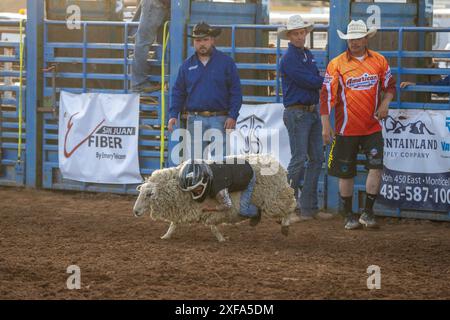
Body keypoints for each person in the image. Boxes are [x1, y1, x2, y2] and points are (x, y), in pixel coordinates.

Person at [320, 20, 396, 230]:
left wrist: (385, 103)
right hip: (346, 128)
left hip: (372, 126)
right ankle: (348, 214)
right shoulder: (336, 64)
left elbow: (390, 86)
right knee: (346, 172)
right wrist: (326, 125)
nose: (354, 42)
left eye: (357, 38)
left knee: (376, 167)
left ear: (365, 39)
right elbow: (326, 97)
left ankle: (368, 212)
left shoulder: (379, 61)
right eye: (351, 38)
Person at [278, 15, 331, 222]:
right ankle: (289, 208)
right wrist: (326, 80)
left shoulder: (304, 54)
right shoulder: (290, 58)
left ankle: (307, 208)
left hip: (307, 111)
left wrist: (321, 80)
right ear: (290, 36)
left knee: (314, 158)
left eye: (302, 33)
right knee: (301, 159)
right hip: (298, 112)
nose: (300, 36)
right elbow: (310, 80)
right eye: (297, 33)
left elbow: (312, 80)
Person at [168, 22, 243, 161]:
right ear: (193, 42)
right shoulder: (186, 65)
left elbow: (236, 91)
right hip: (195, 118)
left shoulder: (226, 62)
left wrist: (233, 115)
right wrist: (173, 114)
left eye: (205, 39)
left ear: (212, 40)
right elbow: (178, 91)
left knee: (220, 162)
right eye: (198, 40)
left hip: (220, 119)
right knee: (197, 163)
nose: (202, 44)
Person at [178, 158, 261, 226]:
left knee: (243, 210)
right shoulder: (206, 168)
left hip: (248, 175)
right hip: (236, 164)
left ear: (204, 181)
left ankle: (256, 212)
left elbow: (228, 205)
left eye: (196, 188)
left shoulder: (219, 189)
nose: (195, 191)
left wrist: (209, 209)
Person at [131, 0, 170, 92]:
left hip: (162, 4)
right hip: (156, 3)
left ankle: (155, 79)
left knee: (161, 41)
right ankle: (139, 83)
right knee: (143, 43)